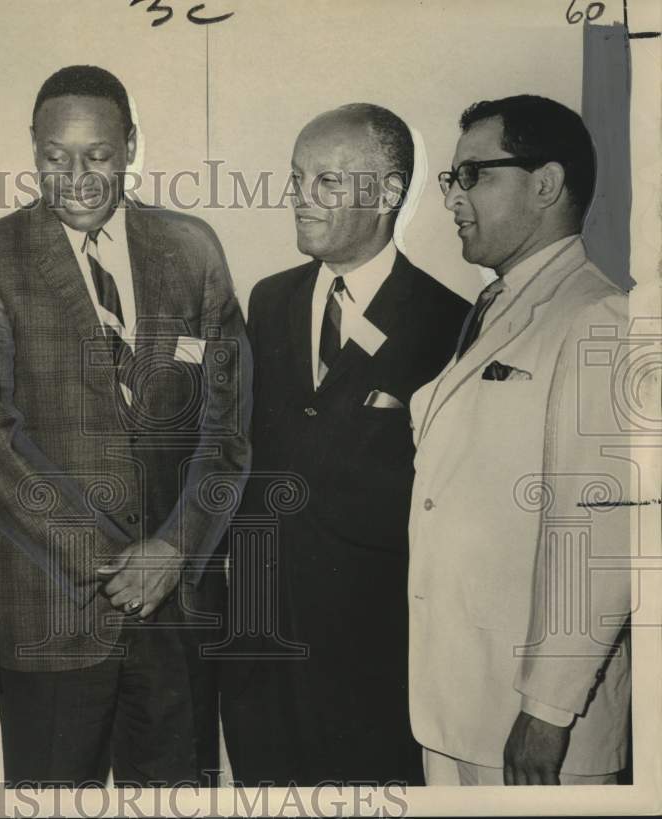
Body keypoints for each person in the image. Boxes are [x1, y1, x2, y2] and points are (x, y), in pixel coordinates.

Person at [0, 64, 251, 787]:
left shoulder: (192, 248)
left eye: (98, 155)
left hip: (176, 610)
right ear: (33, 150)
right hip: (53, 612)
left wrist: (172, 551)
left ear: (131, 147)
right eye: (55, 157)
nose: (76, 177)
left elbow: (226, 428)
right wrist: (119, 570)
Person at [220, 104, 470, 786]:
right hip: (260, 659)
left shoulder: (450, 322)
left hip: (374, 666)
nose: (301, 199)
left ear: (389, 194)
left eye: (327, 182)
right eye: (298, 178)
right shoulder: (268, 300)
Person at [409, 95, 632, 785]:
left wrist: (547, 712)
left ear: (546, 183)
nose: (453, 199)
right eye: (452, 180)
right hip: (458, 704)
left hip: (533, 730)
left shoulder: (600, 316)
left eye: (473, 174)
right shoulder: (497, 304)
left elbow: (602, 537)